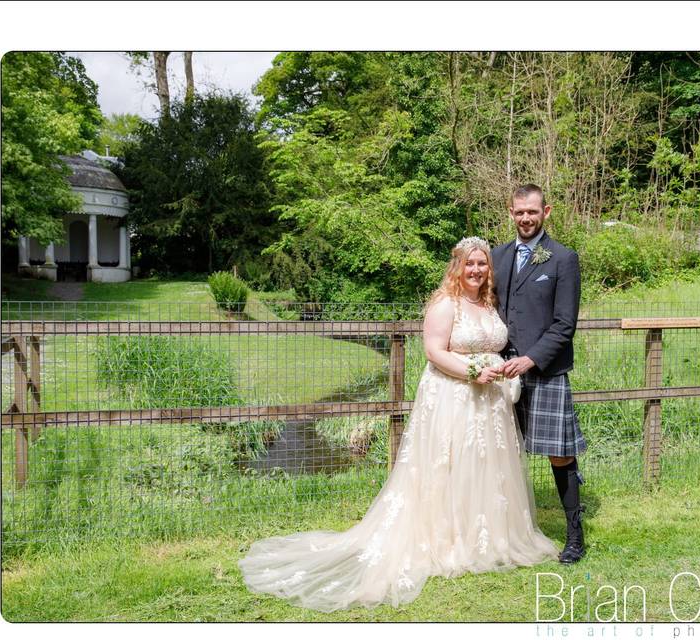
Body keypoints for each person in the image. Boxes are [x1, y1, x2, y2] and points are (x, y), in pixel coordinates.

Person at [238, 237, 558, 612]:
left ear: (490, 268)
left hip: (490, 403)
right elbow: (435, 352)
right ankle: (446, 540)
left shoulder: (488, 303)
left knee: (485, 468)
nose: (476, 270)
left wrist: (499, 369)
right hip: (453, 397)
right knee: (450, 465)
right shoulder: (444, 304)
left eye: (482, 264)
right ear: (457, 266)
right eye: (469, 264)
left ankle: (487, 539)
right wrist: (473, 371)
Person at [492, 184, 588, 565]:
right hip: (500, 373)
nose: (526, 218)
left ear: (546, 211)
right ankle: (504, 534)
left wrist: (530, 359)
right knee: (499, 453)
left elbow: (565, 324)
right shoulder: (497, 256)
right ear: (511, 212)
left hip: (544, 370)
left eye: (532, 211)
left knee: (559, 455)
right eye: (519, 212)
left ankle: (574, 536)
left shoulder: (563, 259)